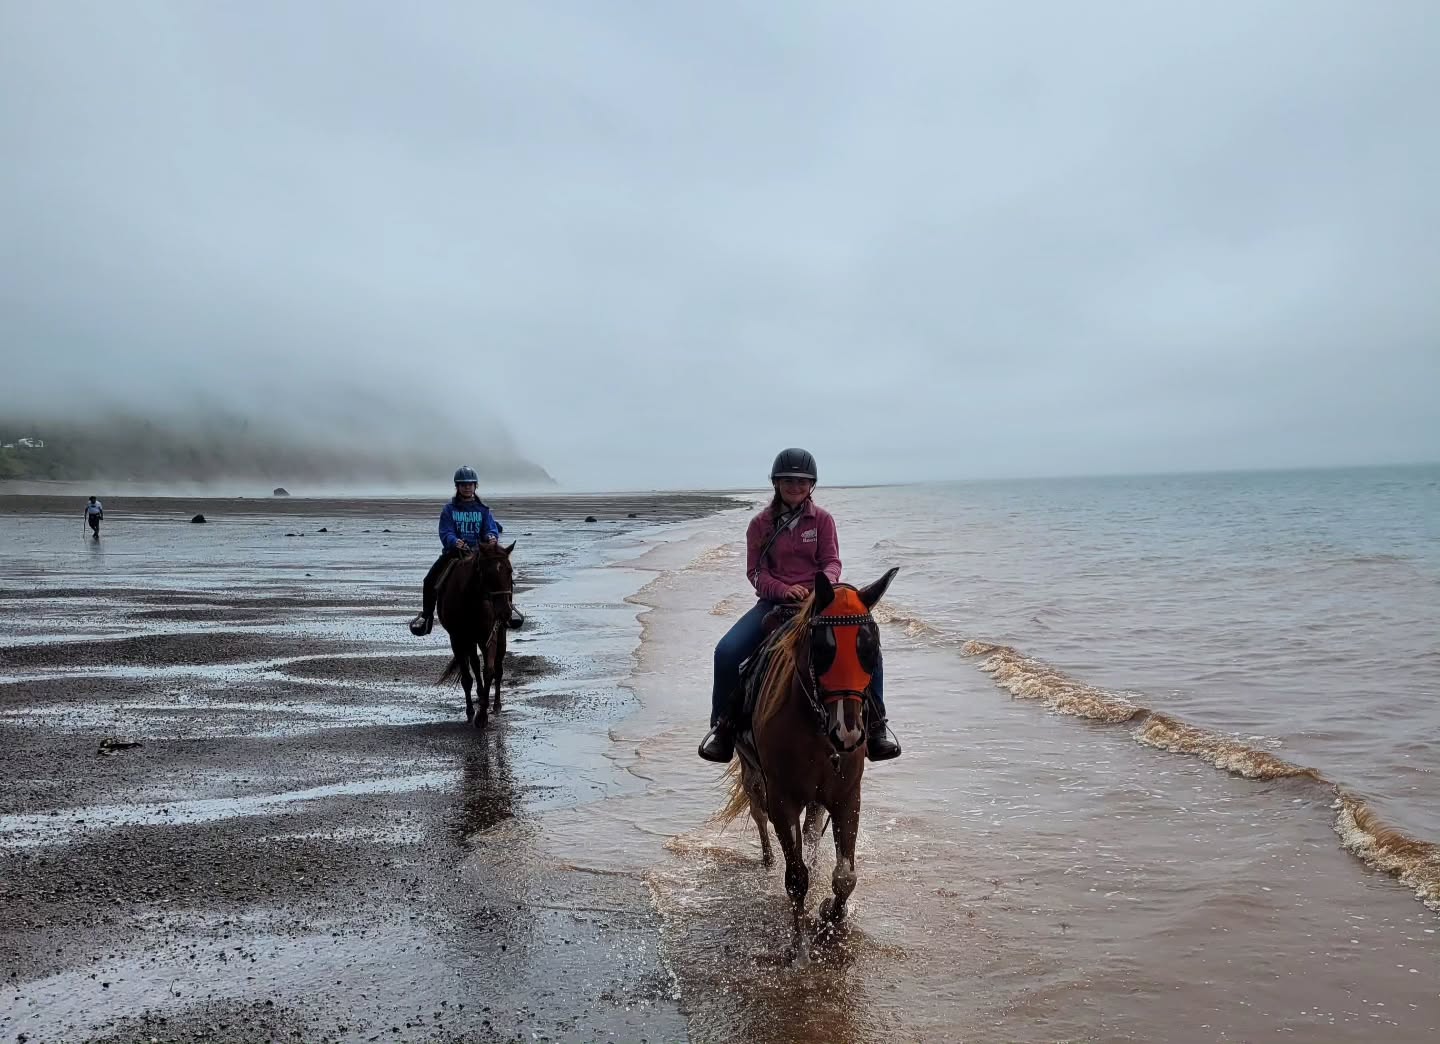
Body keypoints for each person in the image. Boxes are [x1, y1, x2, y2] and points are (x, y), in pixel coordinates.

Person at [698, 448, 900, 764]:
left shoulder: (822, 520)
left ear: (812, 485)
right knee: (726, 652)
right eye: (789, 480)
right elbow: (756, 572)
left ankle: (876, 729)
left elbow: (832, 562)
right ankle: (722, 730)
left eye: (803, 481)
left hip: (818, 603)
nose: (796, 486)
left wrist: (819, 589)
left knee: (868, 650)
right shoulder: (760, 525)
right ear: (776, 483)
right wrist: (782, 589)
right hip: (773, 604)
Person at [408, 466, 523, 636]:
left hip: (480, 554)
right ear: (457, 487)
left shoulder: (483, 510)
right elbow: (445, 531)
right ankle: (427, 618)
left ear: (475, 486)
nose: (467, 487)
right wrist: (454, 541)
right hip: (455, 553)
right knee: (429, 580)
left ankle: (508, 610)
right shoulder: (449, 509)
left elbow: (491, 528)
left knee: (503, 575)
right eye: (463, 485)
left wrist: (491, 537)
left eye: (470, 484)